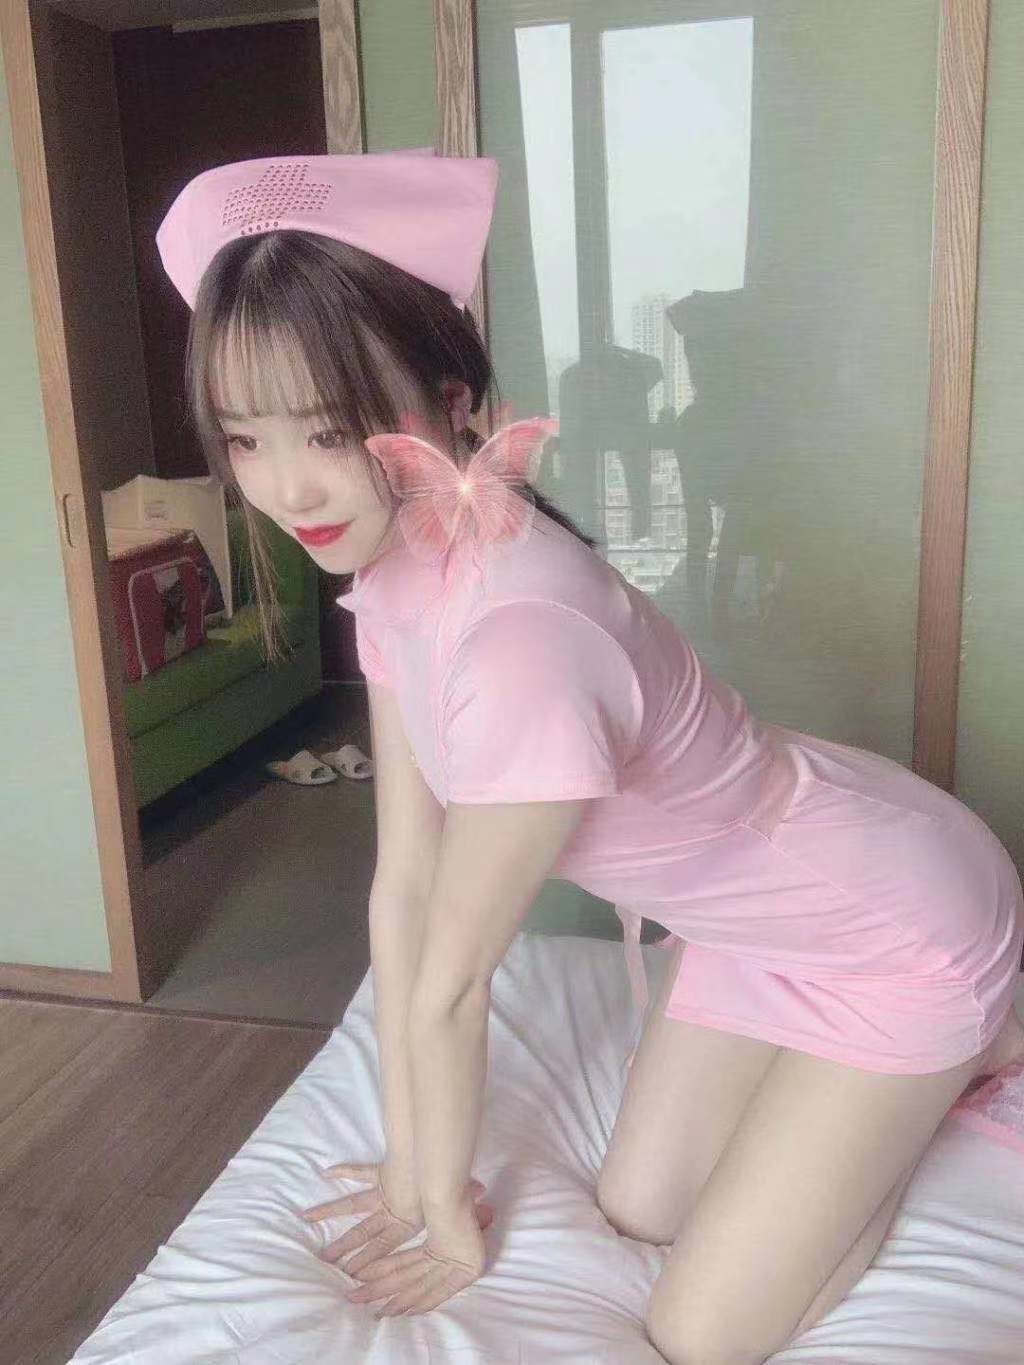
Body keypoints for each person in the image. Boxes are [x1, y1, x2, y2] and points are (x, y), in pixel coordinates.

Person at [155, 151, 1024, 1363]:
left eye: (331, 431)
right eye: (246, 439)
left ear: (452, 399)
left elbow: (455, 980)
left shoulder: (522, 641)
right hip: (755, 917)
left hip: (896, 924)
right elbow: (404, 888)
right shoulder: (393, 577)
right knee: (640, 1206)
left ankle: (976, 1036)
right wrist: (408, 1169)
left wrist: (447, 1220)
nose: (287, 486)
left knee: (701, 1332)